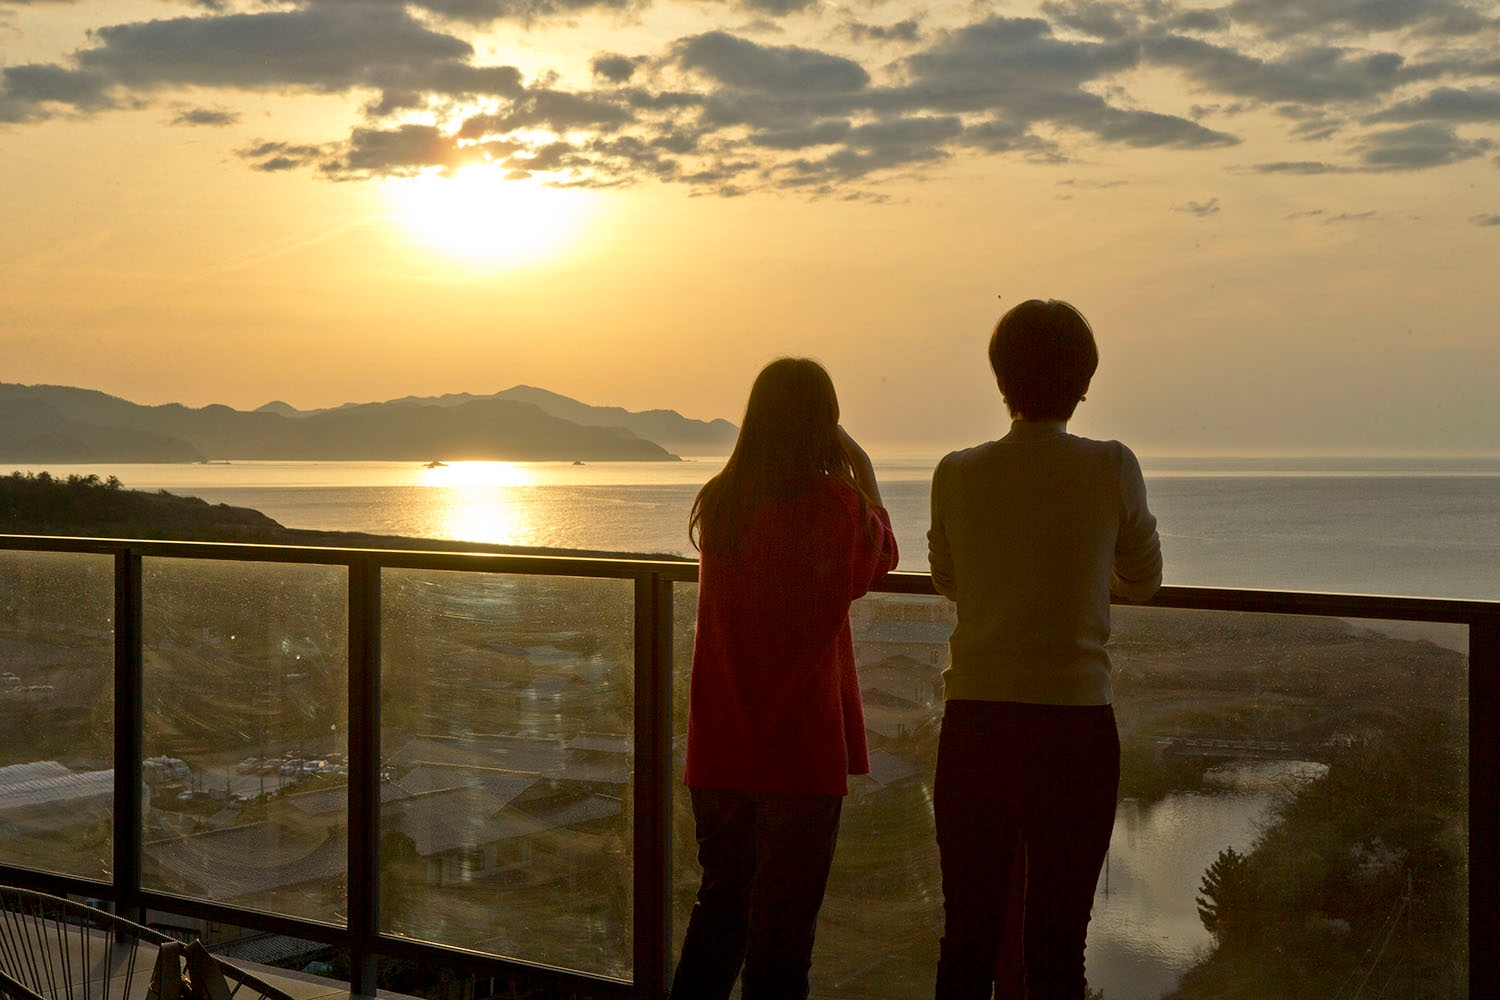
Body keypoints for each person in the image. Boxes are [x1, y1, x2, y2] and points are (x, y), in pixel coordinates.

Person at [927, 299, 1162, 999]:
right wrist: (1083, 577)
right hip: (1074, 729)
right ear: (1083, 383)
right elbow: (1144, 580)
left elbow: (949, 580)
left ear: (1001, 379)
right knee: (1059, 948)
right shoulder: (1111, 465)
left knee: (967, 938)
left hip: (976, 725)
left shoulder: (955, 472)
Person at [671, 357, 898, 1000]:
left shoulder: (722, 501)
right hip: (800, 750)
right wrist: (862, 466)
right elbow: (883, 555)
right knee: (783, 940)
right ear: (824, 425)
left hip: (721, 744)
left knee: (720, 914)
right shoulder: (835, 506)